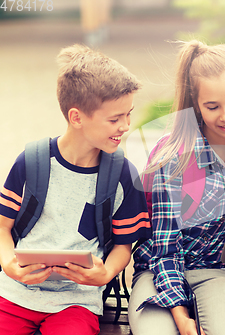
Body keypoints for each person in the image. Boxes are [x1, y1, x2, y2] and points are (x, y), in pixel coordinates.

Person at [0, 44, 151, 335]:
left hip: (76, 302)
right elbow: (2, 227)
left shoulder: (121, 174)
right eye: (115, 119)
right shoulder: (31, 162)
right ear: (77, 117)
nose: (126, 126)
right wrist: (8, 264)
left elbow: (123, 246)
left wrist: (105, 273)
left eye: (128, 115)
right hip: (15, 293)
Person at [128, 40, 225, 335]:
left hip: (219, 271)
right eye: (212, 106)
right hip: (160, 269)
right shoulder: (173, 157)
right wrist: (182, 318)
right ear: (196, 102)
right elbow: (164, 250)